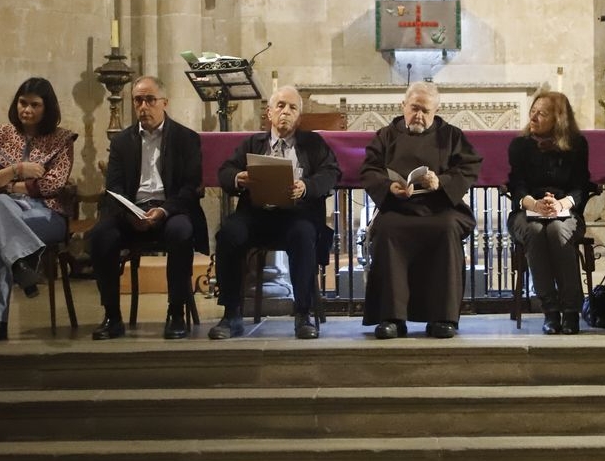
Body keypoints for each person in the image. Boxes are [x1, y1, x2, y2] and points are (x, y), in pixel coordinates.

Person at [210, 86, 341, 340]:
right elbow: (225, 171)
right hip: (256, 215)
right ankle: (231, 314)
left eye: (293, 108)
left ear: (299, 117)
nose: (285, 112)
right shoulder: (253, 144)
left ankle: (302, 314)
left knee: (303, 234)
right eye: (280, 106)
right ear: (269, 113)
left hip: (296, 216)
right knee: (229, 233)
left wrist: (306, 186)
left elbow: (331, 173)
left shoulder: (313, 144)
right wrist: (239, 177)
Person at [88, 75, 208, 340]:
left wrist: (163, 211)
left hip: (170, 210)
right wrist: (130, 213)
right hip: (132, 212)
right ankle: (112, 316)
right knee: (100, 236)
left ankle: (176, 313)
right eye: (138, 100)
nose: (143, 106)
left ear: (164, 102)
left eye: (150, 100)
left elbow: (190, 187)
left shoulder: (186, 138)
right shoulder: (121, 141)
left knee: (181, 232)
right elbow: (114, 187)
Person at [360, 81, 483, 339]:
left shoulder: (451, 136)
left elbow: (468, 166)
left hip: (440, 207)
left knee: (447, 228)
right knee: (387, 229)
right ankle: (392, 318)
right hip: (398, 207)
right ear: (403, 106)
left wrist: (441, 181)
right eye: (414, 108)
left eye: (426, 111)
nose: (419, 115)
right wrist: (389, 186)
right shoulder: (386, 136)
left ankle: (442, 318)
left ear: (436, 111)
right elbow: (370, 169)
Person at [0, 77, 76, 343]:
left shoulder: (61, 140)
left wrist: (7, 183)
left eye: (35, 105)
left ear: (47, 108)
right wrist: (18, 169)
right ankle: (22, 264)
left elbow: (52, 184)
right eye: (23, 103)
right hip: (5, 208)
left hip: (47, 213)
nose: (27, 110)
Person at [507, 91, 593, 335]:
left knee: (557, 229)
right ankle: (550, 311)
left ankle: (571, 310)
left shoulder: (576, 145)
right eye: (532, 111)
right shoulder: (520, 145)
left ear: (558, 118)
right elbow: (516, 184)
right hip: (526, 211)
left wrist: (562, 204)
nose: (533, 117)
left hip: (565, 211)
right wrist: (532, 204)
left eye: (542, 113)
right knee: (534, 230)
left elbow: (581, 186)